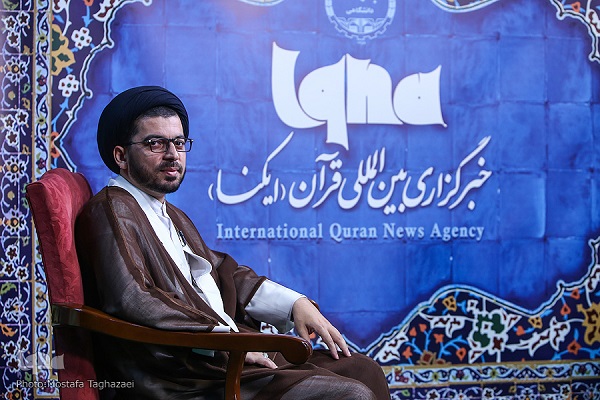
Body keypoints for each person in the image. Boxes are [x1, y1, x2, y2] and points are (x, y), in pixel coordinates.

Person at [75, 86, 390, 399]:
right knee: (351, 394)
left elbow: (221, 272)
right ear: (121, 156)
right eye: (155, 143)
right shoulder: (112, 210)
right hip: (180, 375)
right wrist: (225, 342)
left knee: (364, 370)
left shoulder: (167, 213)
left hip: (221, 352)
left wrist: (295, 304)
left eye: (179, 143)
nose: (172, 154)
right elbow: (133, 298)